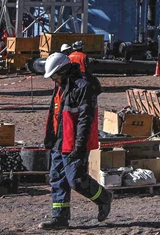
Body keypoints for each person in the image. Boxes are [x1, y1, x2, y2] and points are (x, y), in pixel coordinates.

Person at [40, 52, 111, 229]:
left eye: (55, 76)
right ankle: (60, 218)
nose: (54, 80)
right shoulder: (60, 86)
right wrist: (50, 138)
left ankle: (104, 198)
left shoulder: (83, 87)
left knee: (76, 180)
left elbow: (85, 120)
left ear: (63, 71)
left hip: (74, 143)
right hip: (59, 141)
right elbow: (55, 114)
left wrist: (80, 146)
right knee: (57, 180)